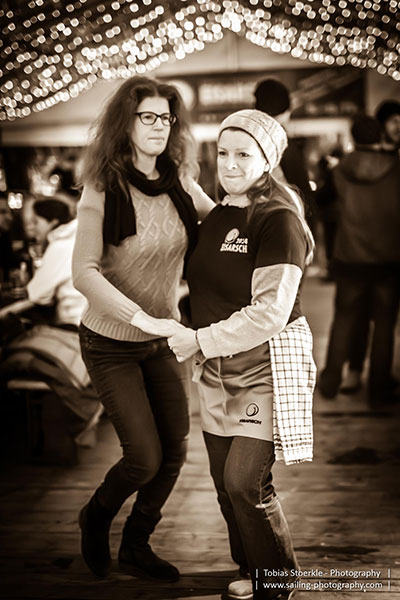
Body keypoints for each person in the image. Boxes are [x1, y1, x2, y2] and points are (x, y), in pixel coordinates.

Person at [164, 110, 316, 600]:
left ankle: (279, 580)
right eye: (223, 152)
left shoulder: (279, 220)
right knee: (223, 484)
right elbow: (190, 193)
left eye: (243, 154)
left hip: (264, 367)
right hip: (216, 371)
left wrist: (197, 340)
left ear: (267, 159)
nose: (229, 163)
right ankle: (252, 569)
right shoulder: (220, 214)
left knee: (244, 482)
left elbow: (270, 312)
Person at [71, 75, 214, 581]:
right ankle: (96, 515)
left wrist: (281, 215)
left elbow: (224, 224)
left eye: (166, 118)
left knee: (174, 452)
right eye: (147, 116)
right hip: (110, 342)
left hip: (164, 339)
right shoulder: (103, 188)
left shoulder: (179, 181)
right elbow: (84, 272)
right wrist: (141, 317)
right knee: (144, 459)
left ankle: (136, 544)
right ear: (125, 124)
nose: (159, 126)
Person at [317, 115, 400, 407]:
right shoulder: (395, 168)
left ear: (353, 137)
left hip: (350, 258)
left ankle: (330, 381)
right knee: (385, 325)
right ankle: (378, 389)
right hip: (388, 260)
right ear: (379, 136)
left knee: (344, 319)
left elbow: (321, 203)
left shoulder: (340, 170)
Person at [254, 78, 317, 233]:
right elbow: (301, 189)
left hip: (259, 221)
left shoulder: (251, 140)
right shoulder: (282, 142)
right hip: (286, 222)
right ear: (286, 109)